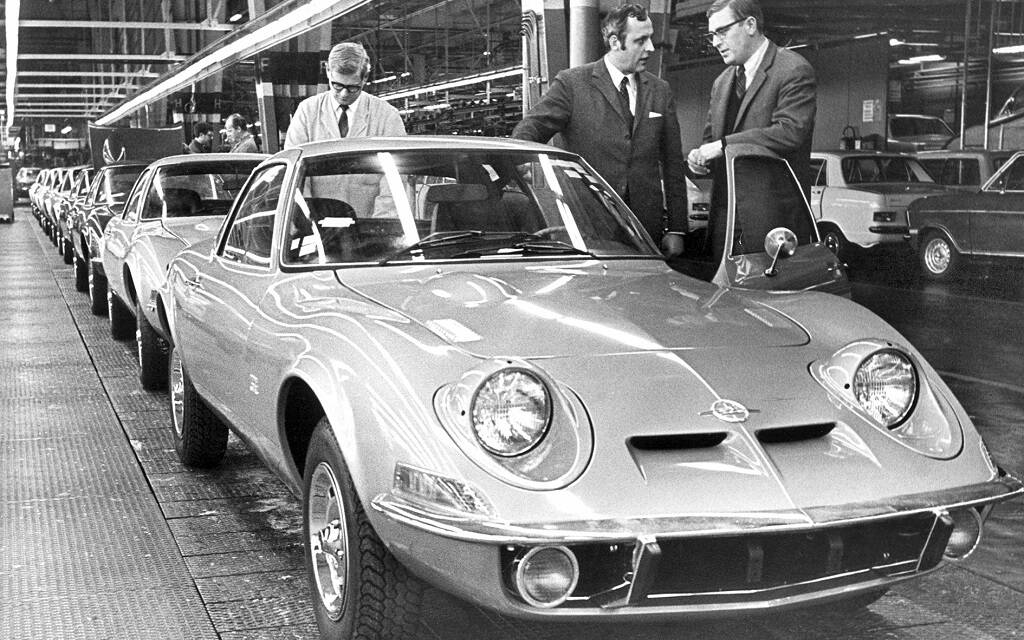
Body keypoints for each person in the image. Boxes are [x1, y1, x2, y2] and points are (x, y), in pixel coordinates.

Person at [511, 3, 687, 257]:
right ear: (615, 42)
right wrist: (520, 165)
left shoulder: (660, 90)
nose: (650, 48)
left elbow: (673, 165)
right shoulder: (572, 84)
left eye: (650, 38)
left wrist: (677, 229)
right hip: (586, 224)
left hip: (645, 229)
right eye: (641, 40)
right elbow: (531, 128)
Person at [687, 0, 816, 200]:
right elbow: (712, 143)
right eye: (712, 35)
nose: (715, 42)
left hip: (772, 211)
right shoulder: (721, 83)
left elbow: (789, 132)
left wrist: (722, 145)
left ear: (750, 25)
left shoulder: (793, 70)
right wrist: (700, 160)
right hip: (725, 210)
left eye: (722, 32)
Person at [284, 41, 406, 148]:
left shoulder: (387, 115)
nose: (344, 94)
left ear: (365, 77)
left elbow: (399, 162)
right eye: (337, 85)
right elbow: (293, 157)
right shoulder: (307, 111)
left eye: (352, 87)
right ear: (328, 71)